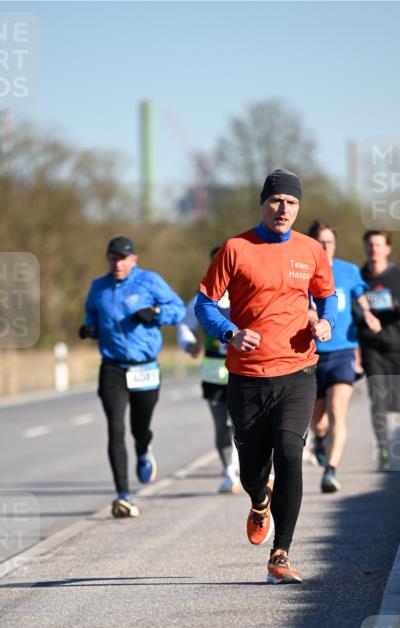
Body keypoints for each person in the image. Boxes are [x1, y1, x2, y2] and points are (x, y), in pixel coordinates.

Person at [195, 169, 336, 584]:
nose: (284, 209)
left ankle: (281, 553)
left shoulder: (311, 250)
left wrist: (325, 323)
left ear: (299, 207)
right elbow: (204, 305)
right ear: (264, 202)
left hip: (298, 370)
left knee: (290, 454)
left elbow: (328, 296)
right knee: (253, 470)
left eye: (292, 203)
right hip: (247, 377)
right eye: (277, 201)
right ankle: (260, 501)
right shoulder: (237, 249)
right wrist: (230, 333)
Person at [81, 236, 186, 518]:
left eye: (123, 258)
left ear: (134, 260)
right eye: (113, 257)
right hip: (113, 367)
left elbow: (179, 310)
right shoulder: (98, 287)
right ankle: (123, 495)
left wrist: (155, 313)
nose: (118, 263)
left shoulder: (150, 281)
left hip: (145, 367)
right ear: (108, 259)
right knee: (115, 428)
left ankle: (143, 448)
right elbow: (90, 313)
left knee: (139, 427)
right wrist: (89, 327)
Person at [306, 221, 381, 493]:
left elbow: (361, 299)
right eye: (320, 242)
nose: (326, 247)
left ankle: (331, 470)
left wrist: (369, 315)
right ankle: (320, 438)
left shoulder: (348, 271)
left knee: (338, 411)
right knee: (319, 421)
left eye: (330, 242)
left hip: (343, 351)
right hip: (311, 354)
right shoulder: (302, 271)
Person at [357, 230, 400, 470]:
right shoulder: (359, 277)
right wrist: (362, 314)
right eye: (369, 245)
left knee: (396, 403)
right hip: (371, 346)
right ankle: (384, 448)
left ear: (387, 249)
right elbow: (351, 306)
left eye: (378, 245)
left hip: (398, 346)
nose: (373, 249)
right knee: (377, 399)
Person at [177, 247, 240, 495]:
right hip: (214, 372)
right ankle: (228, 474)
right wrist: (189, 344)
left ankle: (258, 470)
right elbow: (184, 325)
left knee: (246, 425)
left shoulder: (247, 292)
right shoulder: (203, 297)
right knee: (222, 426)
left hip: (244, 369)